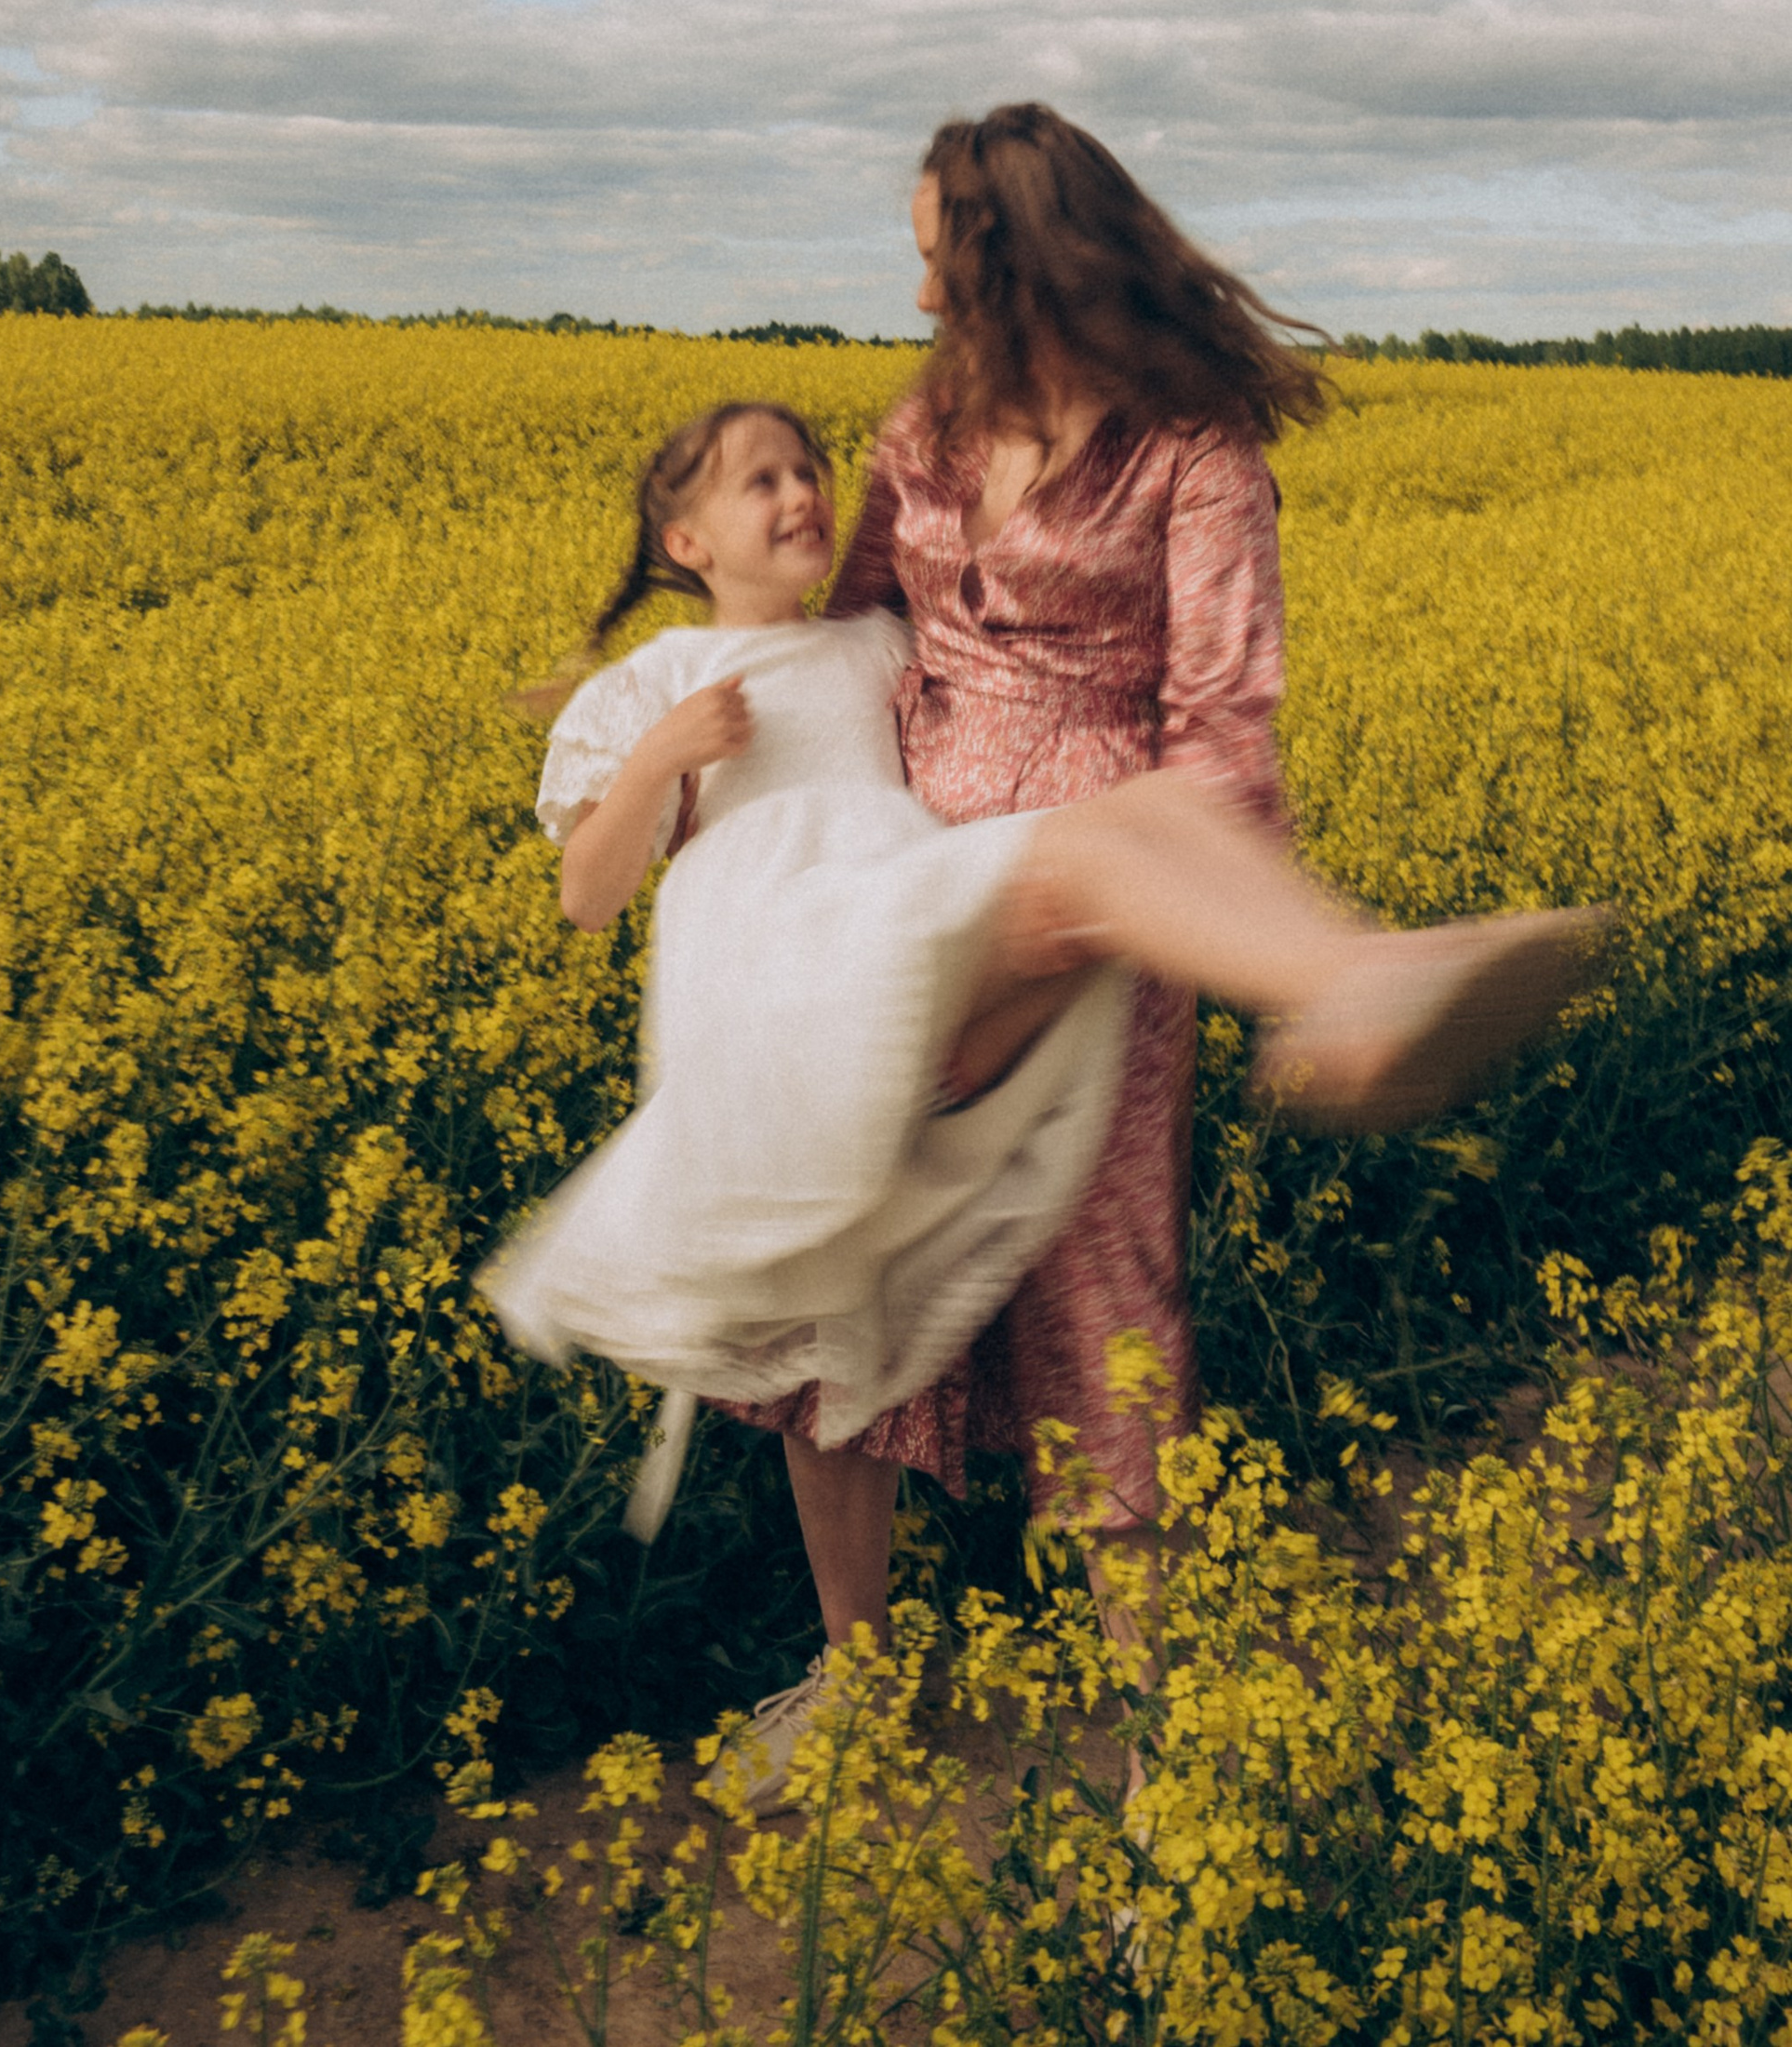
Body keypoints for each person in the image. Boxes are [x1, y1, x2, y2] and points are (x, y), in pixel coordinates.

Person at [481, 384, 1602, 1803]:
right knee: (1099, 850)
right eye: (757, 480)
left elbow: (1010, 671)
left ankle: (1342, 978)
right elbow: (588, 896)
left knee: (1122, 839)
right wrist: (660, 753)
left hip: (886, 949)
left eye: (808, 469)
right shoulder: (657, 684)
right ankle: (1341, 984)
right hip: (785, 980)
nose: (801, 494)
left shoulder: (878, 640)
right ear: (682, 533)